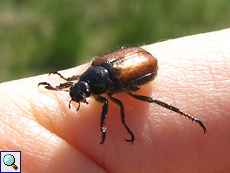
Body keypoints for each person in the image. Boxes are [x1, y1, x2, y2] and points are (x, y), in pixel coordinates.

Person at [0, 29, 229, 172]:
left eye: (84, 92)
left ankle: (181, 112)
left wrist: (107, 124)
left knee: (145, 101)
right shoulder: (91, 72)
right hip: (128, 61)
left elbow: (112, 104)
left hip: (142, 69)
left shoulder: (106, 86)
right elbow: (80, 80)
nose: (83, 94)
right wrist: (63, 85)